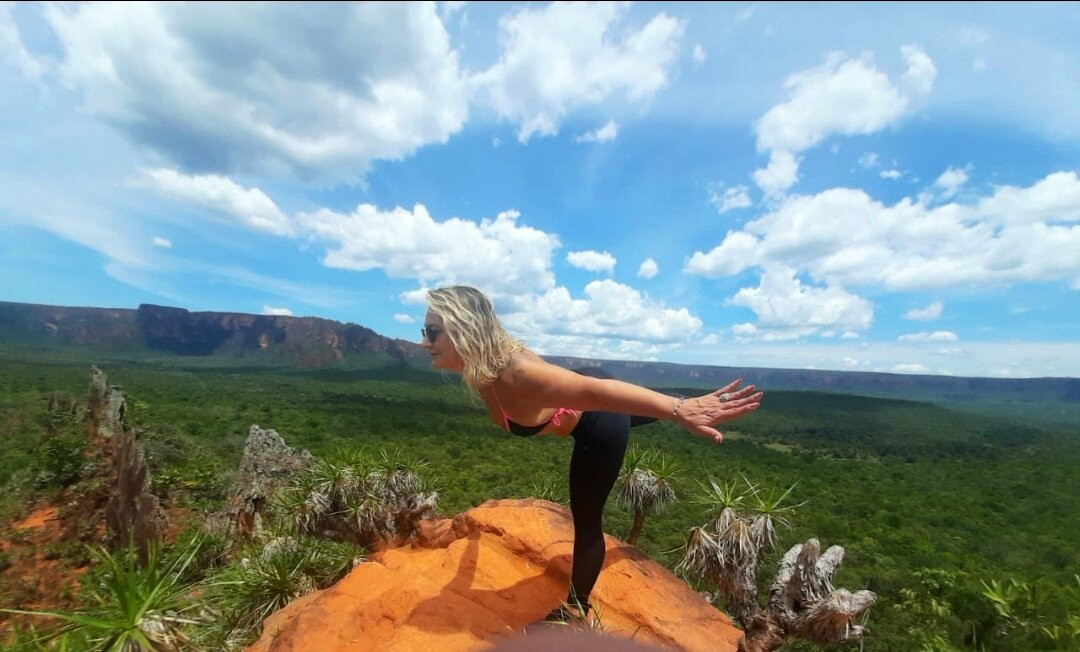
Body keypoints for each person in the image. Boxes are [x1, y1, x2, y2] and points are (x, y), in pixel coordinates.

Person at [421, 286, 762, 624]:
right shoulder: (486, 367)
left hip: (598, 419)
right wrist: (472, 547)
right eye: (425, 332)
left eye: (432, 332)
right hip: (586, 394)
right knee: (662, 406)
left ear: (463, 328)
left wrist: (679, 409)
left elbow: (594, 393)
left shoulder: (517, 374)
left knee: (586, 522)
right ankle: (687, 404)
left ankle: (572, 611)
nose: (425, 342)